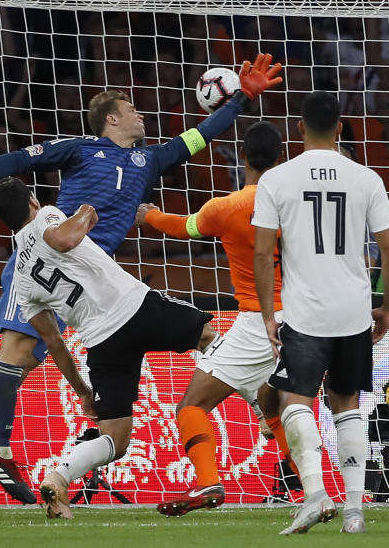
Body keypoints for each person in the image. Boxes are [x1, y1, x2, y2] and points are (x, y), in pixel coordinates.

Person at [0, 53, 283, 505]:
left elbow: (200, 136)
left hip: (93, 285)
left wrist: (242, 100)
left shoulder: (150, 160)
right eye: (131, 108)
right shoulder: (80, 148)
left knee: (20, 367)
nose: (141, 112)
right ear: (111, 118)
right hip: (45, 261)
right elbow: (21, 159)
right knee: (13, 360)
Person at [0, 177, 219, 519]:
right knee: (208, 336)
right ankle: (262, 410)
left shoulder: (21, 281)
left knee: (115, 439)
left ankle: (59, 476)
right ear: (33, 202)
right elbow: (65, 239)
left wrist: (82, 390)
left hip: (102, 342)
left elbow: (54, 342)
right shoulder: (47, 216)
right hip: (135, 308)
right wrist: (84, 212)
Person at [252, 91, 389, 535]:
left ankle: (316, 494)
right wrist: (387, 307)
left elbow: (264, 254)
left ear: (299, 129)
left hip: (305, 313)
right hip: (354, 312)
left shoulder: (276, 179)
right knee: (347, 404)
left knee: (294, 400)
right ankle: (355, 510)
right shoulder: (366, 178)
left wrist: (266, 314)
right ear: (340, 128)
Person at [135, 121, 292, 516]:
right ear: (281, 157)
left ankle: (208, 484)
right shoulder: (297, 203)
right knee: (273, 407)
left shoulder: (226, 208)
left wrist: (149, 216)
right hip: (306, 319)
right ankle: (314, 489)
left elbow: (183, 227)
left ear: (242, 156)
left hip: (261, 322)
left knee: (191, 405)